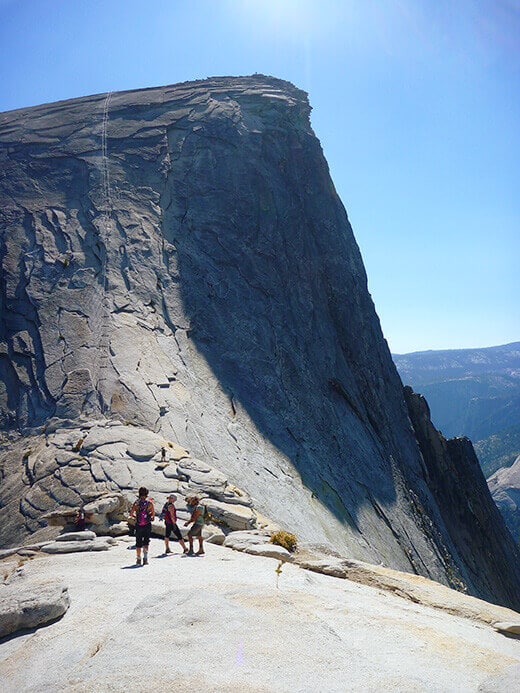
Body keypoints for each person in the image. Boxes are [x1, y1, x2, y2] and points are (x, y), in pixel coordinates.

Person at [130, 487, 155, 565]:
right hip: (147, 525)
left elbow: (131, 514)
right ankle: (145, 558)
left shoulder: (136, 503)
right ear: (147, 494)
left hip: (138, 525)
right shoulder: (149, 503)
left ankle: (138, 559)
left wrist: (136, 518)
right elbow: (153, 515)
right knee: (146, 542)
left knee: (138, 543)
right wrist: (149, 517)